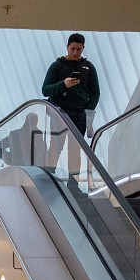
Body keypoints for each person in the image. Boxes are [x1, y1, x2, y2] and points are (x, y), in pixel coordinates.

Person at [41, 32, 100, 181]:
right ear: (67, 47)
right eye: (72, 48)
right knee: (55, 147)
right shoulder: (57, 66)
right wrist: (63, 85)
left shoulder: (89, 67)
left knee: (75, 150)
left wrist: (88, 109)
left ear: (83, 48)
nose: (75, 52)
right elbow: (45, 89)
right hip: (59, 113)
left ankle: (74, 185)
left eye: (78, 49)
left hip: (79, 114)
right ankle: (48, 178)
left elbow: (95, 92)